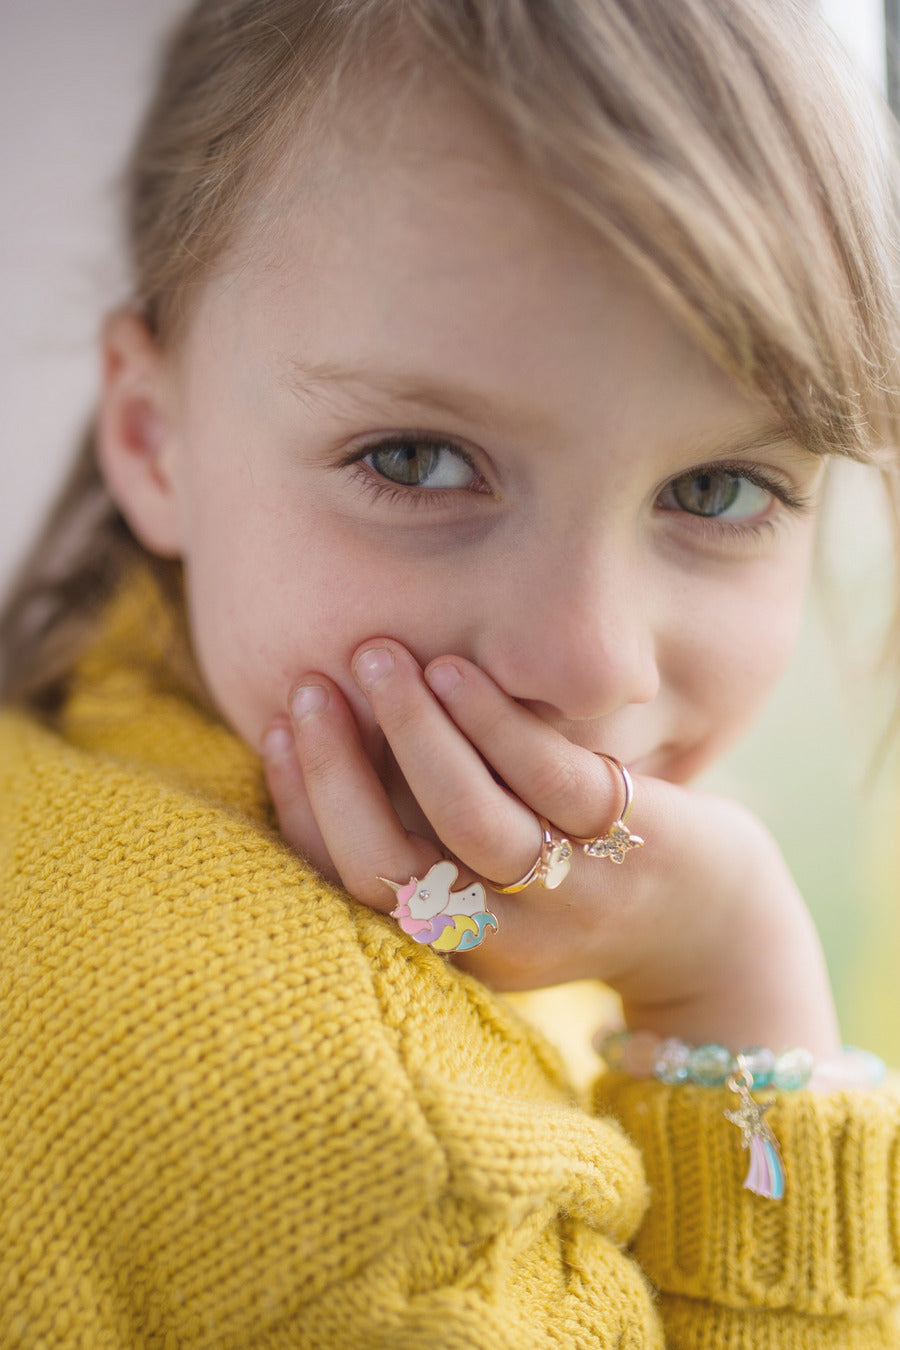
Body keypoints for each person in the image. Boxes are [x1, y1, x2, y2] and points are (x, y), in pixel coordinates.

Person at [1, 0, 899, 1343]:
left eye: (718, 486)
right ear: (152, 438)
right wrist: (737, 995)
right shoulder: (395, 1149)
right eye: (416, 459)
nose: (593, 667)